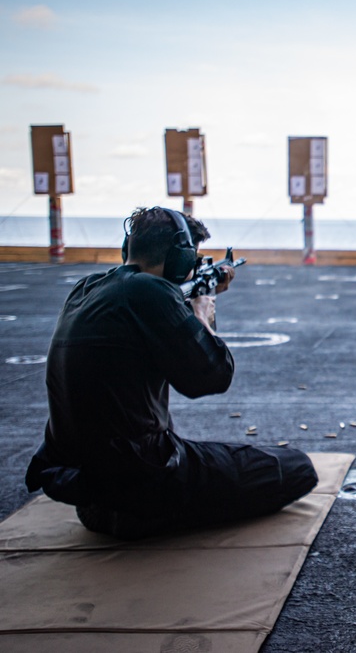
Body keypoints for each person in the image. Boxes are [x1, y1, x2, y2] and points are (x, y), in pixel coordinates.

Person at [25, 207, 317, 539]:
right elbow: (212, 375)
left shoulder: (85, 289)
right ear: (179, 257)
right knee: (296, 468)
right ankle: (157, 514)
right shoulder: (152, 292)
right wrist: (203, 315)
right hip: (142, 480)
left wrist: (194, 300)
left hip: (85, 488)